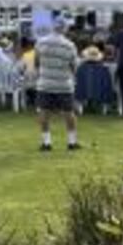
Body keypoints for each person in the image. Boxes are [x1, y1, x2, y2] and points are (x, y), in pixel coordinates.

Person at [34, 20, 80, 152]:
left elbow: (37, 62)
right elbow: (73, 67)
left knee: (43, 112)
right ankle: (72, 142)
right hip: (64, 84)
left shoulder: (41, 42)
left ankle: (46, 143)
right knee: (69, 113)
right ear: (64, 29)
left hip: (45, 83)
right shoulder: (70, 45)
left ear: (52, 28)